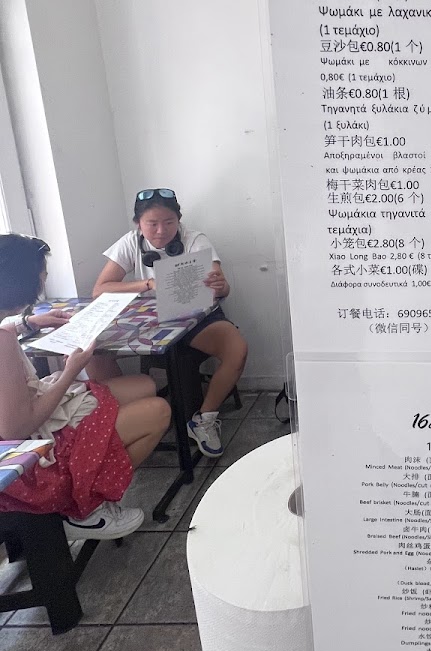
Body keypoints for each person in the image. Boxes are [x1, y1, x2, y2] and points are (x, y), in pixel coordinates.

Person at [0, 234, 169, 539]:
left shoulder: (5, 331)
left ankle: (94, 487)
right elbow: (16, 428)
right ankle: (84, 508)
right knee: (158, 411)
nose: (44, 279)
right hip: (28, 461)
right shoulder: (2, 343)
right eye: (42, 274)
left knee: (144, 385)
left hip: (31, 417)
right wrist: (71, 371)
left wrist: (28, 323)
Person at [92, 188, 248, 458]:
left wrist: (221, 286)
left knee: (237, 348)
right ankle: (131, 418)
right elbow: (100, 289)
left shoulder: (194, 240)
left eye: (169, 222)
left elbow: (221, 288)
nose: (161, 231)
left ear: (179, 220)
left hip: (195, 319)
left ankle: (204, 419)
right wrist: (147, 284)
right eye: (152, 224)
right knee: (94, 352)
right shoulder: (130, 242)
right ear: (138, 223)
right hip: (148, 320)